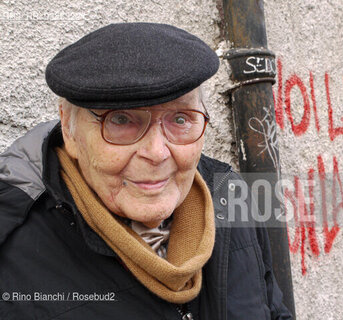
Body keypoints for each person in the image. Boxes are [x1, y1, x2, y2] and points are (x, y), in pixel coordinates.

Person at [0, 23, 292, 319]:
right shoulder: (11, 244)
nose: (156, 153)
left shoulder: (228, 195)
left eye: (180, 119)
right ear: (69, 129)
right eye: (122, 120)